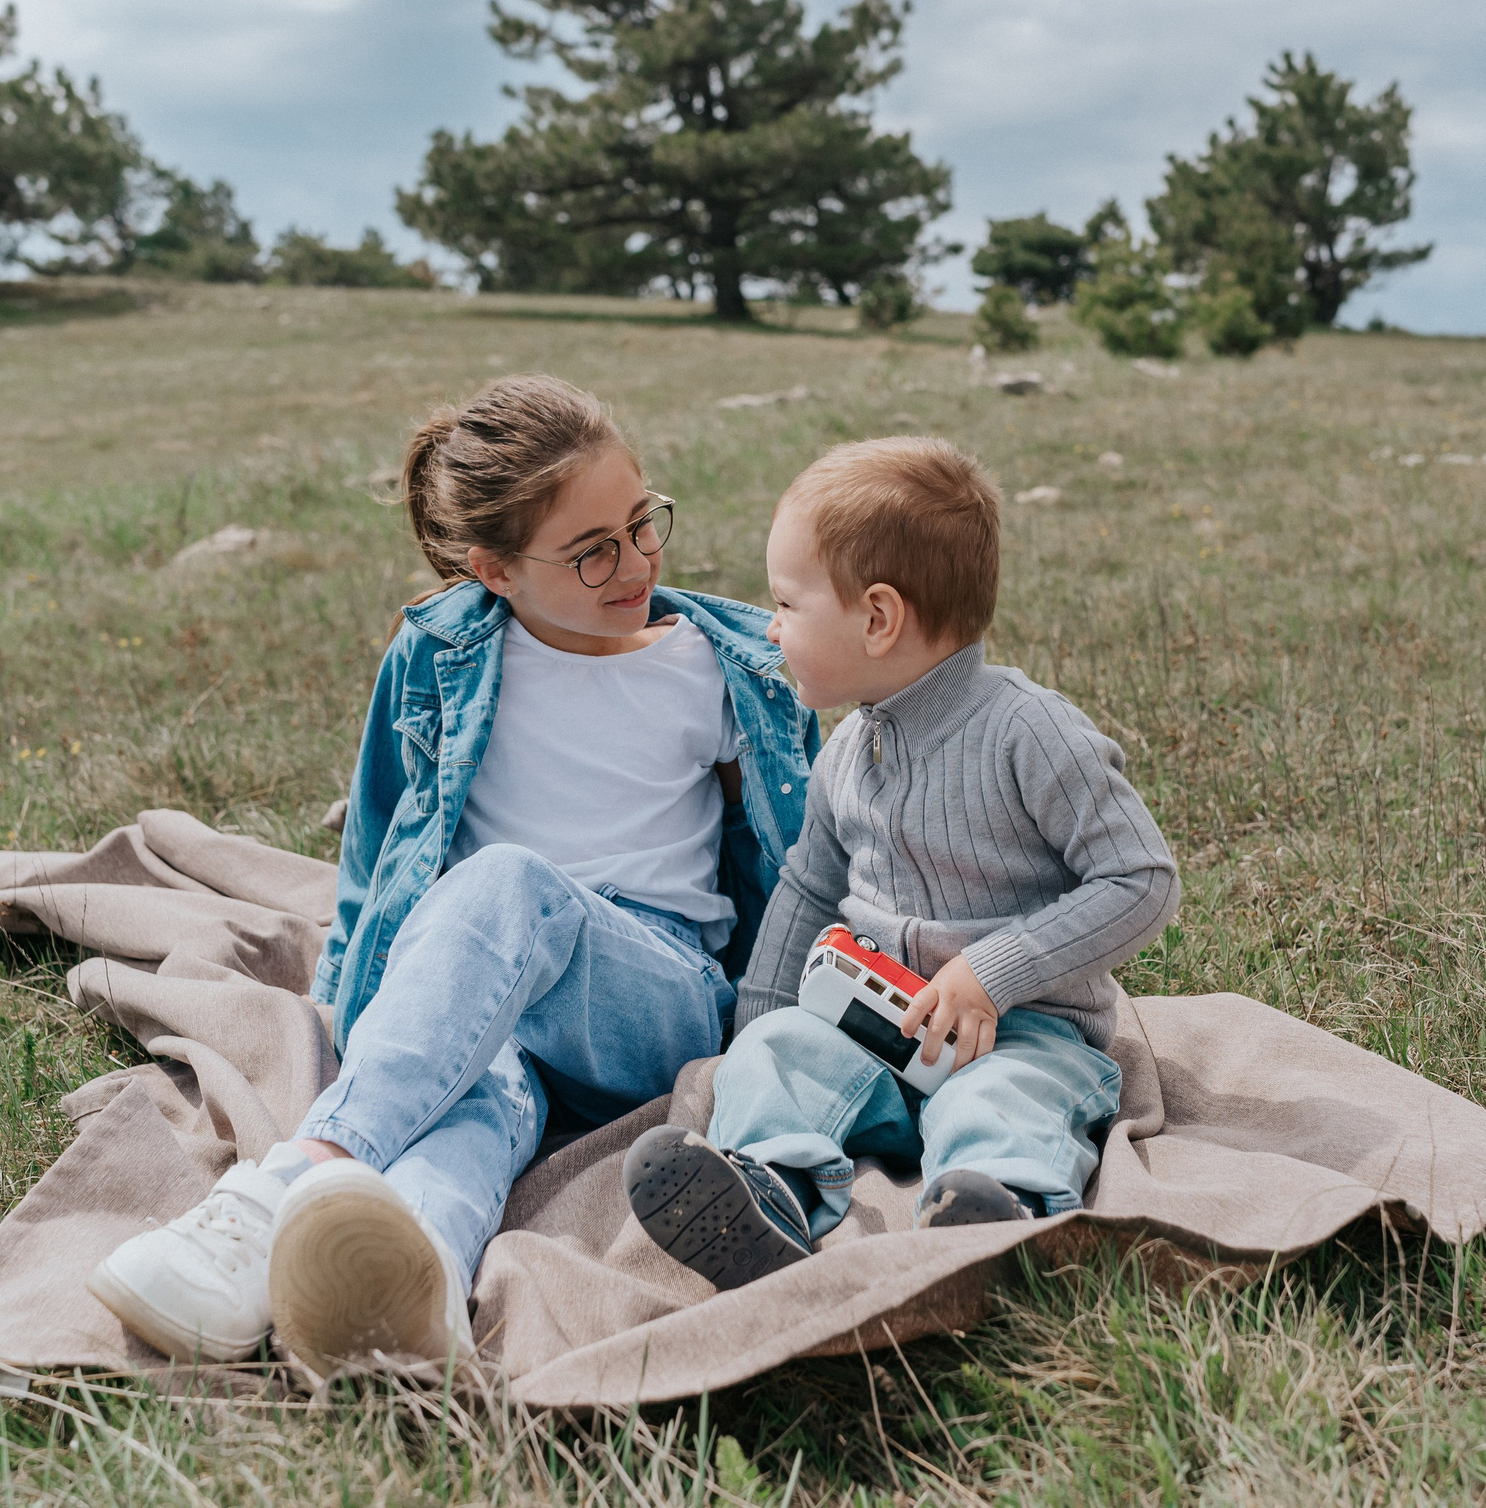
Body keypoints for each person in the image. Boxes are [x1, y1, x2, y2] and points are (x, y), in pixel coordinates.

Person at [85, 376, 816, 1374]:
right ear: (493, 567)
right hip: (487, 994)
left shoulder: (723, 662)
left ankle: (289, 1177)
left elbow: (812, 845)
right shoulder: (437, 657)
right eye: (592, 547)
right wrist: (358, 1007)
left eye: (642, 522)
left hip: (648, 993)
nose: (635, 560)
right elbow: (377, 845)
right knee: (477, 1091)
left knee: (510, 882)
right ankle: (403, 1289)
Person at [623, 437, 1179, 1288]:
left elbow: (1142, 879)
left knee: (1004, 1099)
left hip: (1021, 1031)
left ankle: (990, 1212)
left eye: (786, 604)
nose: (771, 626)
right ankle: (768, 1189)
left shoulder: (1027, 732)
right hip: (868, 1034)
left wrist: (992, 973)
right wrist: (755, 1036)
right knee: (778, 1056)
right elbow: (809, 888)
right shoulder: (847, 751)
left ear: (878, 617)